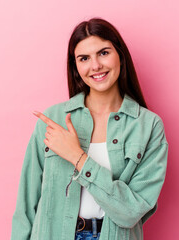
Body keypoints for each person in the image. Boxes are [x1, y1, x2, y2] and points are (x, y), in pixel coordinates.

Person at [11, 17, 168, 240]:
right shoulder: (53, 120)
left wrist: (78, 157)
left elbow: (131, 212)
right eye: (84, 58)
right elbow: (26, 205)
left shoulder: (148, 126)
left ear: (120, 56)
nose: (95, 66)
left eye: (104, 53)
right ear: (76, 66)